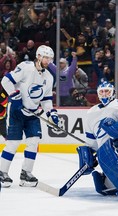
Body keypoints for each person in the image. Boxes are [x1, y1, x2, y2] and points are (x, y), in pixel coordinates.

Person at [0, 45, 59, 187]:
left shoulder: (49, 77)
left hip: (32, 114)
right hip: (16, 111)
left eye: (49, 59)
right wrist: (14, 95)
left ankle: (26, 173)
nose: (47, 61)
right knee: (13, 143)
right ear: (38, 56)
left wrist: (52, 113)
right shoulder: (26, 67)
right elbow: (6, 81)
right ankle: (2, 172)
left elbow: (46, 100)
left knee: (33, 142)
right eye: (45, 57)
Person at [77, 82, 118, 199]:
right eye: (102, 92)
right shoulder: (91, 113)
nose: (104, 94)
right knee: (103, 187)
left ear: (113, 93)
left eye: (107, 91)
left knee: (105, 153)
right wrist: (88, 156)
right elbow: (92, 141)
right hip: (105, 151)